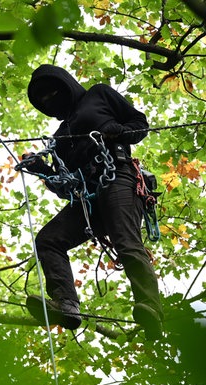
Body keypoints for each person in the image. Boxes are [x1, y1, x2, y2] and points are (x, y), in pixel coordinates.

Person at [24, 64, 163, 340]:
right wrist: (43, 170)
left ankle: (151, 308)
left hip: (117, 176)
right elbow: (65, 188)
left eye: (53, 92)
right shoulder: (60, 136)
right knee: (48, 239)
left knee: (126, 240)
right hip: (87, 197)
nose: (50, 100)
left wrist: (118, 131)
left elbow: (139, 124)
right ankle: (66, 305)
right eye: (44, 101)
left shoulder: (99, 95)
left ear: (66, 84)